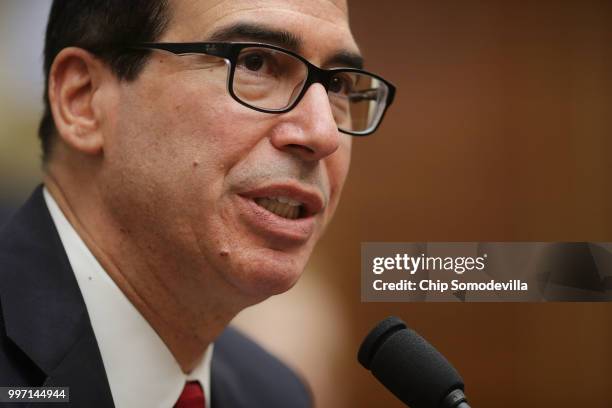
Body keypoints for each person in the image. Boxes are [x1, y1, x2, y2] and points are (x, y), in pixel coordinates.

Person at [0, 0, 395, 407]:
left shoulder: (276, 395)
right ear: (83, 99)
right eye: (255, 63)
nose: (322, 133)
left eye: (337, 87)